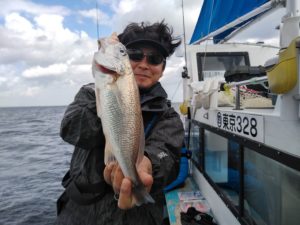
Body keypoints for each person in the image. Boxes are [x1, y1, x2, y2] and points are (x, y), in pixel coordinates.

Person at [55, 20, 185, 225]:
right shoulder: (91, 92)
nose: (144, 64)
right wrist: (105, 92)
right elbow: (71, 129)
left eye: (154, 58)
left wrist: (148, 165)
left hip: (138, 217)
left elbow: (168, 154)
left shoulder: (168, 116)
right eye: (133, 55)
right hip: (80, 213)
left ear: (162, 68)